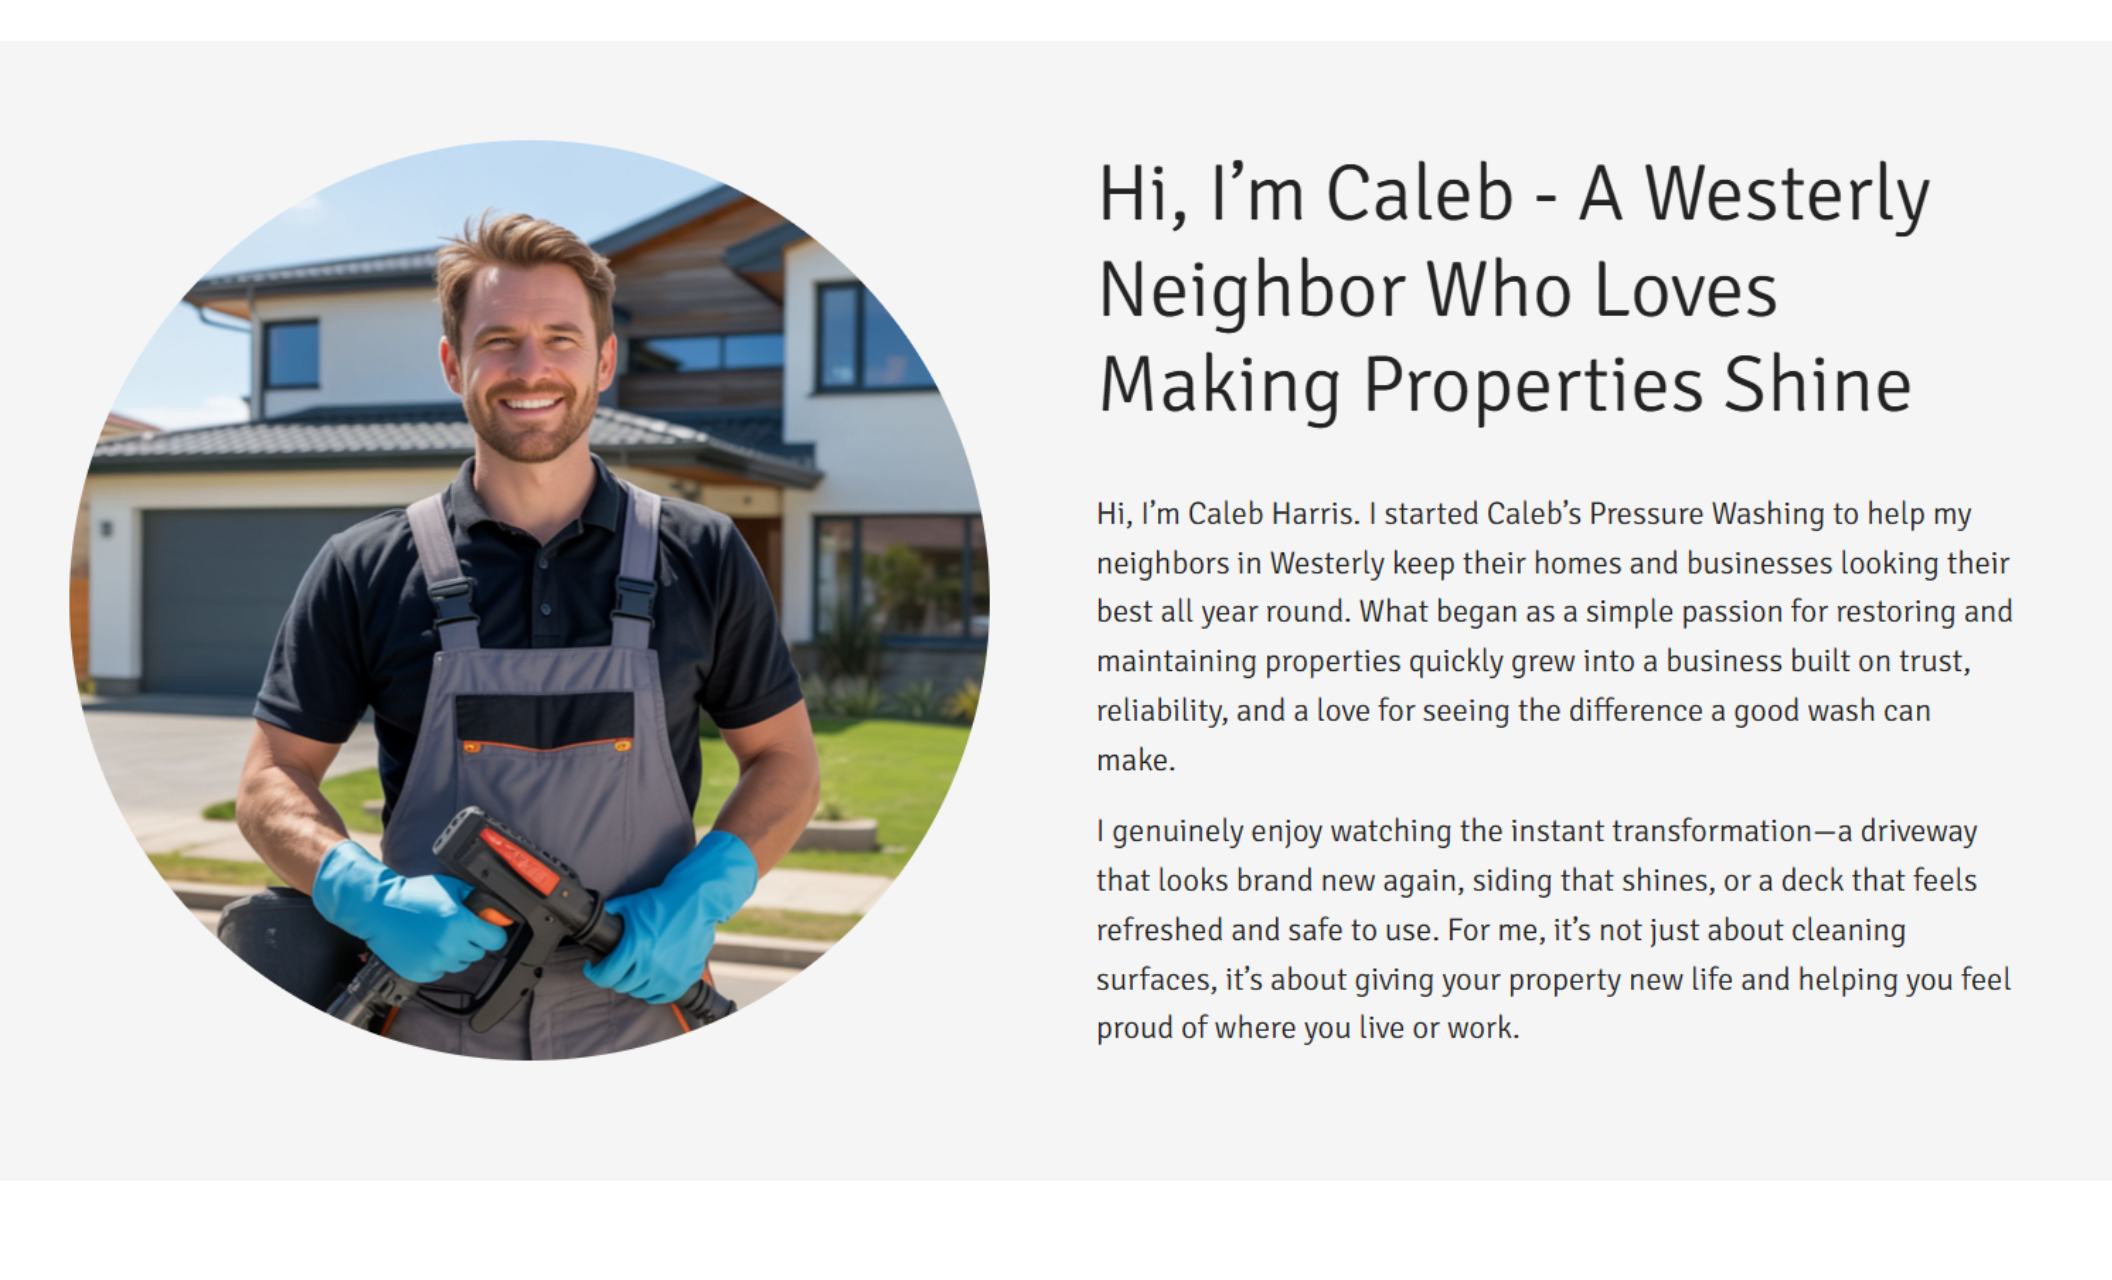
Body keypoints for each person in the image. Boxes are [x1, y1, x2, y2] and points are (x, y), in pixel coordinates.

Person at [234, 212, 820, 1058]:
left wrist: (700, 896)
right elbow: (270, 782)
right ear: (453, 363)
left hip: (647, 1023)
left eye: (561, 338)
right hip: (429, 1026)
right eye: (499, 339)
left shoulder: (703, 554)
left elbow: (788, 761)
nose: (531, 368)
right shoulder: (364, 566)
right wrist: (365, 896)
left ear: (605, 360)